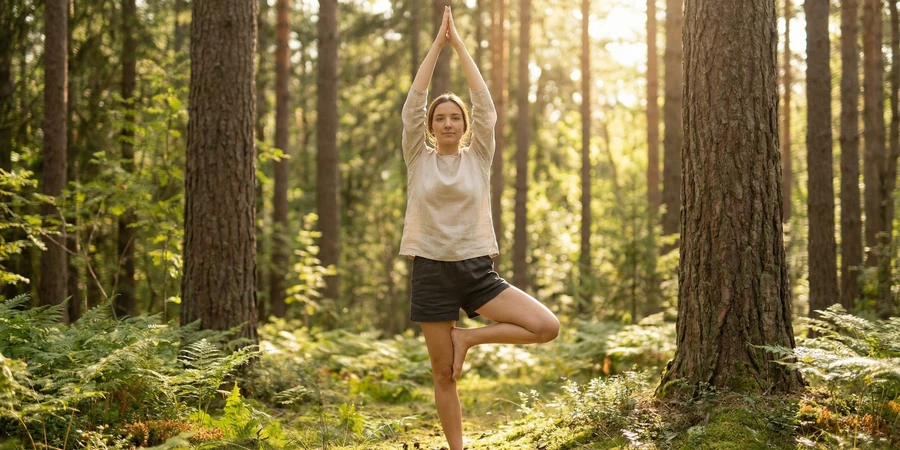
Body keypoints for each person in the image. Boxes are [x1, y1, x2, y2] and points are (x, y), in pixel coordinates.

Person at [400, 6, 560, 449]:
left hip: (476, 271)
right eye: (439, 119)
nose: (447, 123)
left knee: (546, 326)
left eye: (455, 118)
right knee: (443, 373)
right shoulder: (418, 159)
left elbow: (485, 103)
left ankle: (468, 339)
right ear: (430, 129)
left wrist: (460, 45)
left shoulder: (479, 157)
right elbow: (413, 102)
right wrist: (437, 45)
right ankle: (458, 448)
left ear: (466, 127)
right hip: (431, 271)